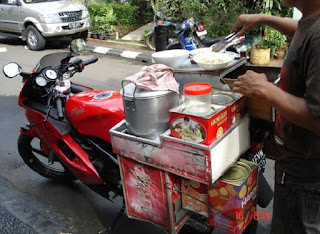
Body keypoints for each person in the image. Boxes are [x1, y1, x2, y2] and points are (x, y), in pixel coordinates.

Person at [231, 1, 320, 233]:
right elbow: (302, 29)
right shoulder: (312, 20)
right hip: (294, 162)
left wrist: (265, 89)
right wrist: (263, 18)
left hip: (307, 174)